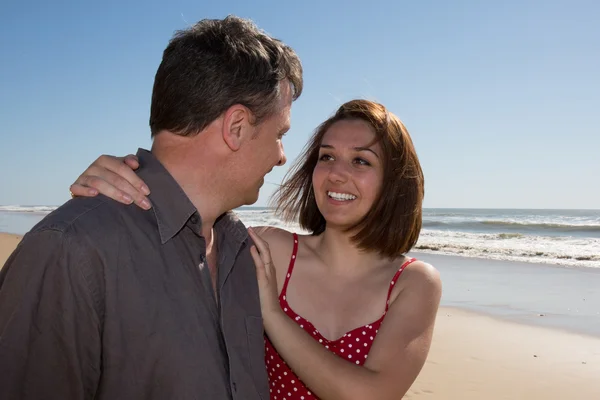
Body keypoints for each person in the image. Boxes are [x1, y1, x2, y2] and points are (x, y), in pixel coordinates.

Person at [0, 16, 303, 400]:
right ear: (237, 127)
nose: (281, 156)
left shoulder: (245, 252)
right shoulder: (70, 251)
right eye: (280, 135)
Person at [71, 99, 442, 399]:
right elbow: (178, 223)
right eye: (326, 156)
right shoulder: (270, 250)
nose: (336, 173)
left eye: (361, 160)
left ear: (395, 182)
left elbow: (371, 395)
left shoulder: (413, 283)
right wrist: (122, 183)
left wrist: (272, 317)